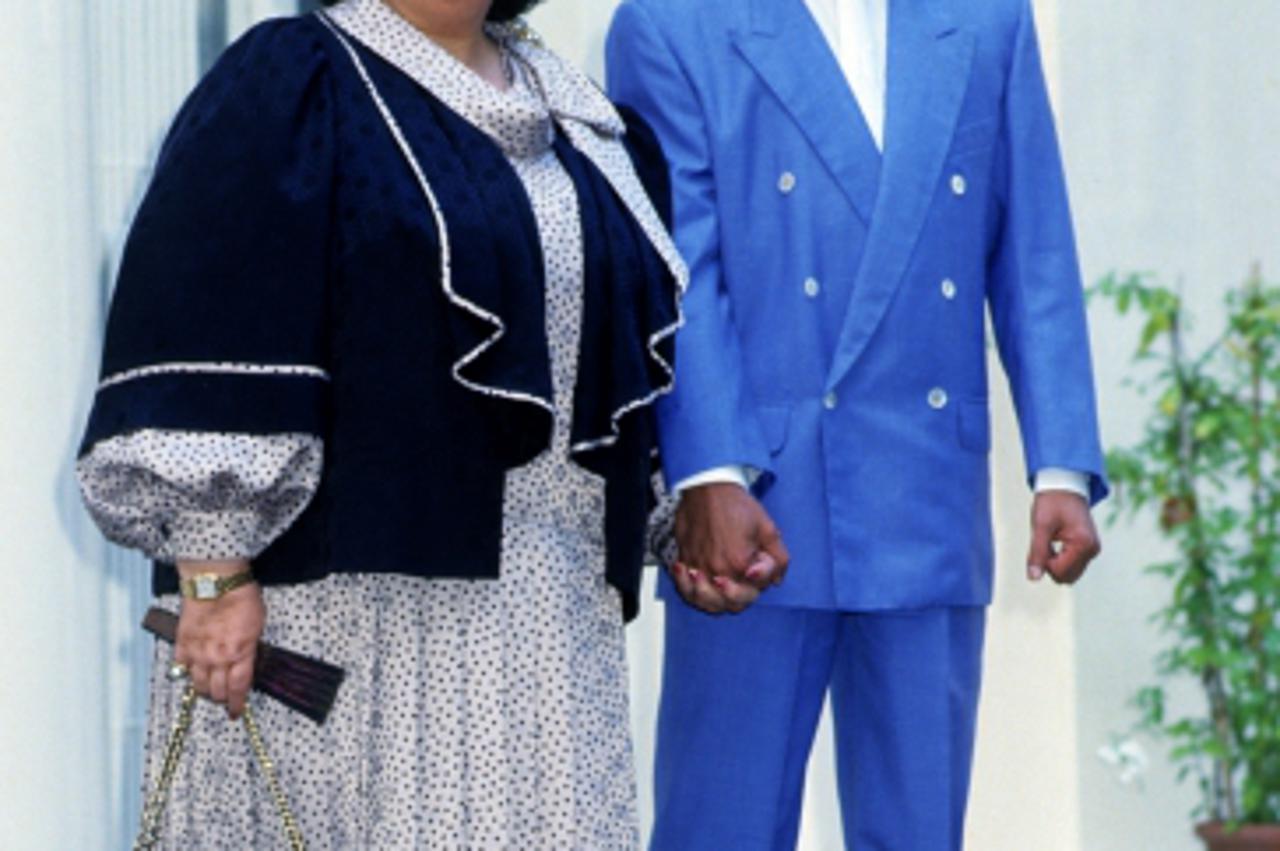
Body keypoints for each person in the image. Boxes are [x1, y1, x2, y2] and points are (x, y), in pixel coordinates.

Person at [76, 0, 685, 846]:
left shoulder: (581, 117)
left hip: (549, 621)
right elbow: (207, 307)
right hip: (353, 621)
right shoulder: (297, 77)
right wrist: (212, 573)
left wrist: (672, 508)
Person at [607, 0, 1107, 847]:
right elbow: (676, 266)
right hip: (750, 506)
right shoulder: (668, 22)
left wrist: (1060, 466)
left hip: (925, 487)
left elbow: (1034, 247)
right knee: (718, 824)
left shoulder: (987, 19)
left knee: (918, 830)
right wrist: (709, 472)